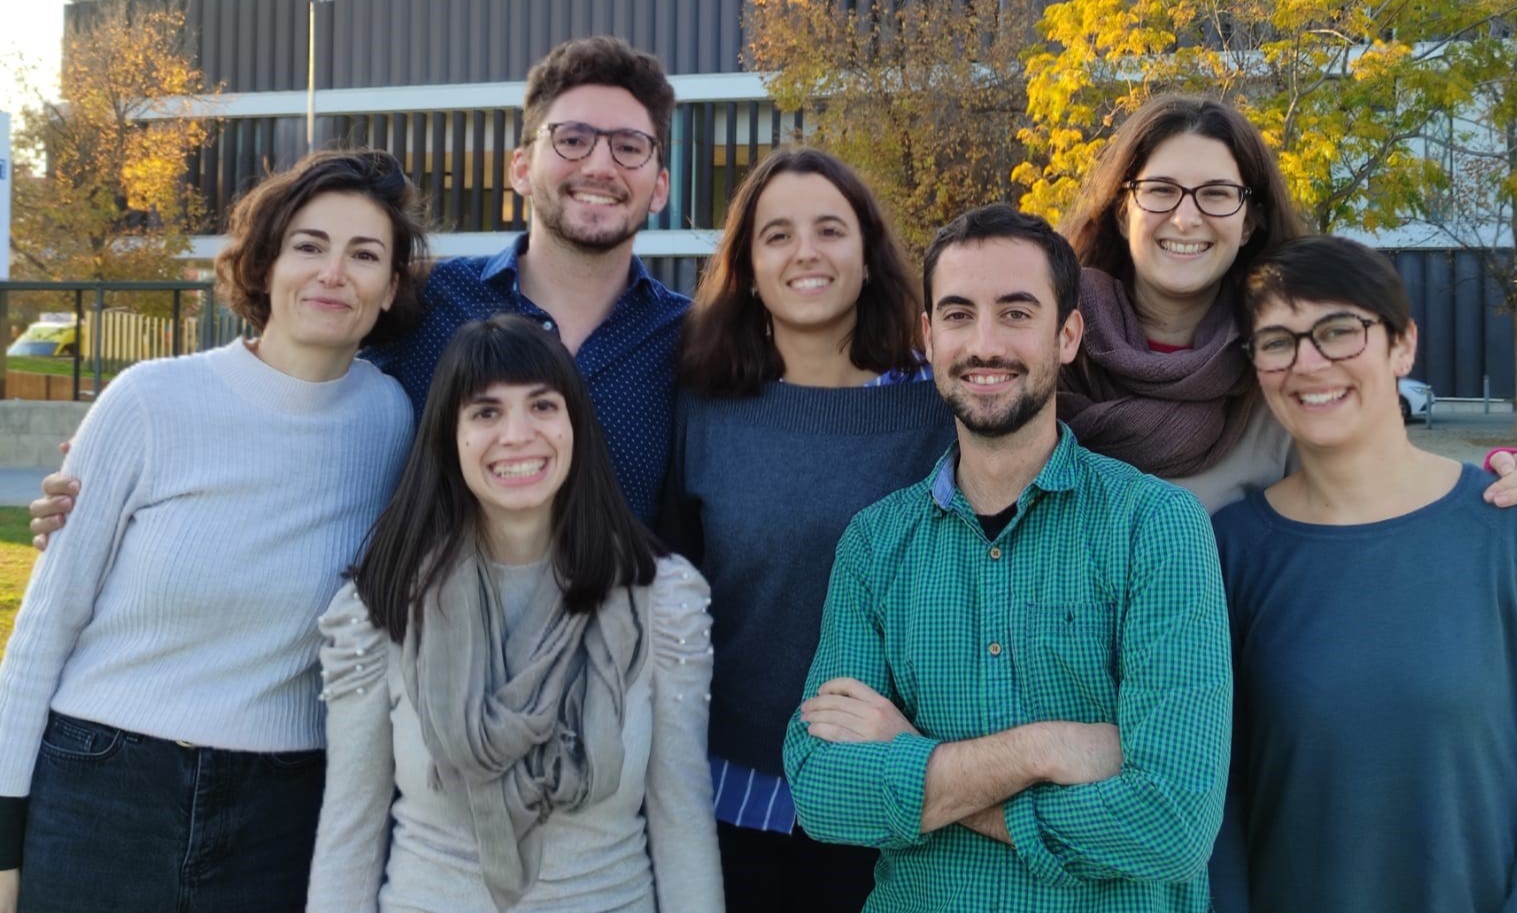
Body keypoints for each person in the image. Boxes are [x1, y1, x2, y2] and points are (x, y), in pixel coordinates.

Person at [30, 34, 690, 541]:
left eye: (630, 145)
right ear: (520, 166)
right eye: (571, 139)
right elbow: (287, 391)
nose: (599, 164)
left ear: (658, 183)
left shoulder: (694, 341)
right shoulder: (419, 305)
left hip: (616, 693)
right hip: (423, 686)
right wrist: (130, 452)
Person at [0, 149, 428, 913]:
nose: (334, 272)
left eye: (364, 254)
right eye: (308, 245)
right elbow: (44, 627)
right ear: (265, 265)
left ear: (391, 286)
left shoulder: (394, 420)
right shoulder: (149, 400)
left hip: (284, 809)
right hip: (103, 786)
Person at [784, 205, 1231, 913]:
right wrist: (1041, 749)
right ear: (928, 336)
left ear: (1067, 334)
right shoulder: (875, 544)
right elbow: (822, 791)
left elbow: (1170, 823)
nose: (983, 343)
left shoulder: (1155, 528)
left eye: (1016, 313)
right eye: (958, 315)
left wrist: (915, 762)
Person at [307, 314, 723, 913]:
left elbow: (682, 821)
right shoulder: (380, 607)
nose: (518, 434)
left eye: (543, 406)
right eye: (485, 413)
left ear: (574, 422)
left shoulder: (663, 599)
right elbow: (350, 831)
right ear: (450, 437)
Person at [660, 147, 954, 912]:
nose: (806, 253)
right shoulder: (703, 401)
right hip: (731, 793)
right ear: (748, 266)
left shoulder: (938, 407)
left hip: (886, 792)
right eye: (777, 234)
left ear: (867, 254)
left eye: (829, 229)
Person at [1209, 235, 1517, 913]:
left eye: (1337, 330)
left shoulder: (1512, 531)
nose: (1307, 362)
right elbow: (1219, 799)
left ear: (1402, 344)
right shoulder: (1228, 552)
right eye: (1277, 340)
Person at [1056, 94, 1517, 513]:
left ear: (1249, 224)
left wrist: (1507, 478)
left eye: (1217, 195)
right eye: (1160, 191)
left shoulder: (1286, 372)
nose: (1185, 219)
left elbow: (1384, 491)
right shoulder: (1048, 346)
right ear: (1123, 212)